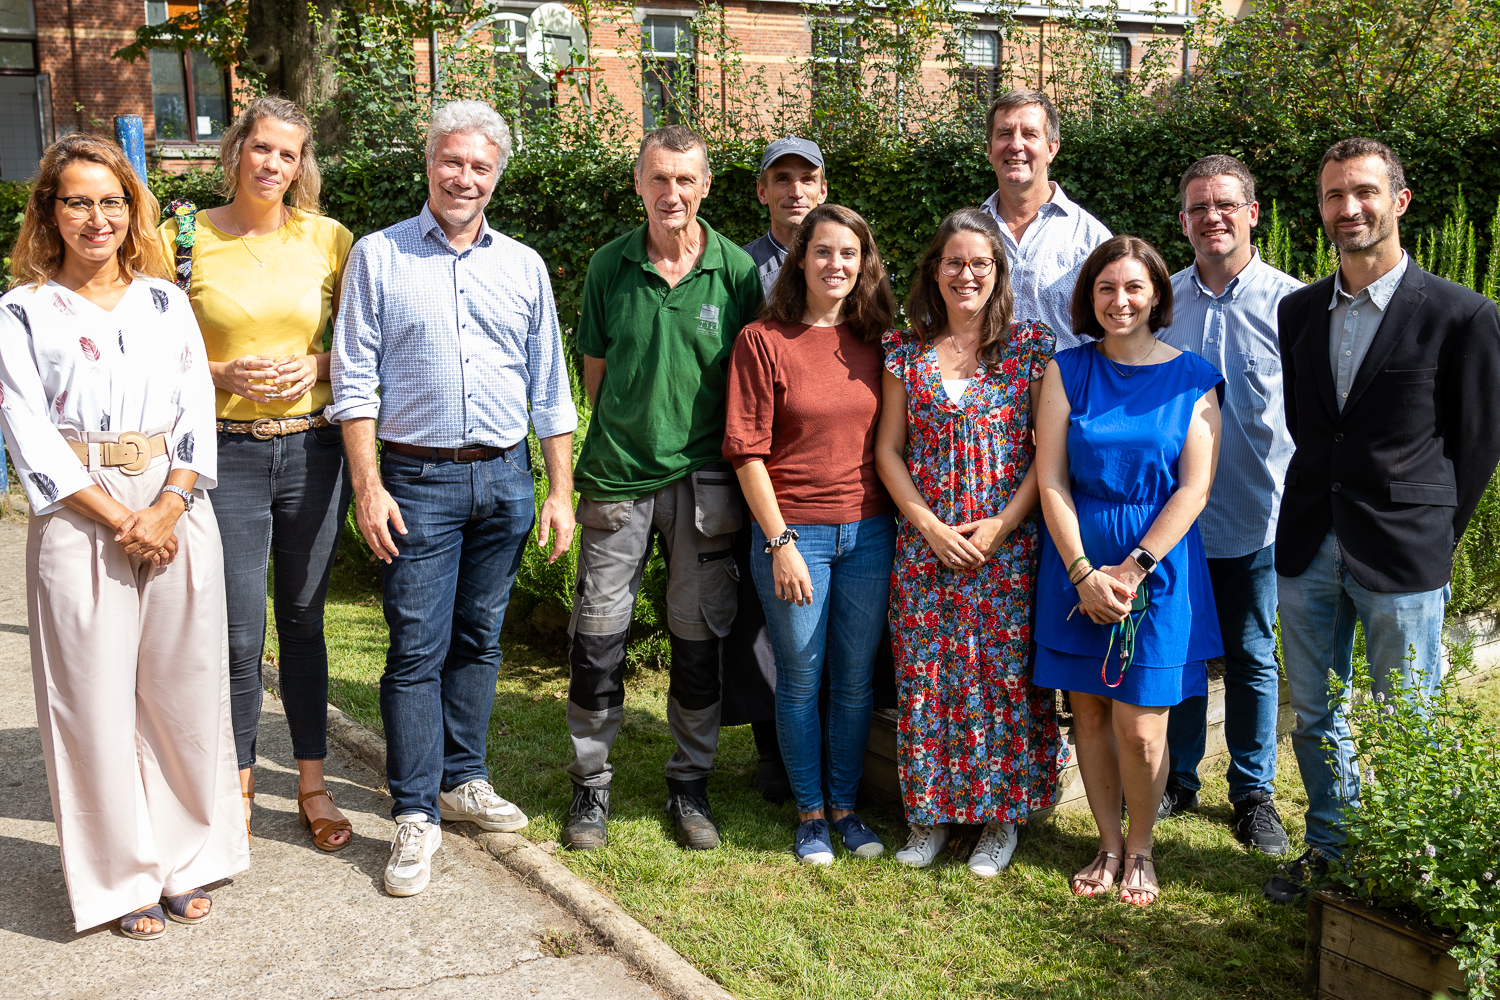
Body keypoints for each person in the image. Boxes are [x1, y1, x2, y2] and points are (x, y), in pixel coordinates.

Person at [330, 100, 578, 897]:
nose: (464, 177)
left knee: (479, 638)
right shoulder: (379, 256)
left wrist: (558, 489)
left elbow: (550, 387)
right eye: (452, 162)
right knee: (415, 649)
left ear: (496, 176)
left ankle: (461, 780)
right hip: (416, 482)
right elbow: (354, 380)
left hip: (505, 478)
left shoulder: (524, 265)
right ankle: (414, 813)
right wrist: (367, 487)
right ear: (428, 164)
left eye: (480, 166)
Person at [0, 134, 245, 938]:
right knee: (92, 702)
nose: (96, 218)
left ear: (131, 208)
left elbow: (195, 414)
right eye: (77, 200)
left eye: (111, 201)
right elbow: (28, 433)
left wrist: (169, 506)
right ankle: (117, 879)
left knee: (183, 691)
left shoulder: (165, 302)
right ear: (50, 211)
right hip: (80, 512)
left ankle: (183, 858)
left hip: (174, 505)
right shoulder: (21, 313)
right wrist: (119, 518)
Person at [1264, 139, 1500, 903]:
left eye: (1364, 192)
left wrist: (1433, 525)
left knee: (1409, 720)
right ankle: (1331, 847)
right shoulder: (1297, 310)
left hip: (1403, 550)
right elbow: (1312, 426)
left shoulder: (1462, 315)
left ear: (1398, 200)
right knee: (1314, 714)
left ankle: (1405, 867)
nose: (1349, 208)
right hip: (1306, 542)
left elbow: (1477, 444)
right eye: (1334, 195)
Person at [161, 96, 356, 852]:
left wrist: (317, 363)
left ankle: (311, 783)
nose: (274, 165)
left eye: (289, 154)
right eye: (262, 148)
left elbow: (375, 349)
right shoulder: (182, 236)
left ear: (301, 165)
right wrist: (218, 369)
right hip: (227, 452)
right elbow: (149, 346)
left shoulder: (330, 240)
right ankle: (237, 786)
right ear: (237, 148)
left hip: (311, 450)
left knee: (304, 624)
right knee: (240, 634)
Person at [564, 125, 762, 852]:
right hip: (618, 479)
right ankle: (590, 786)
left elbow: (748, 385)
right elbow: (596, 375)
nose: (671, 193)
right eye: (658, 179)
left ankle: (690, 785)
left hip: (707, 485)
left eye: (685, 179)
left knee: (699, 638)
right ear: (638, 184)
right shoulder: (609, 265)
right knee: (598, 636)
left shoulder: (737, 272)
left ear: (706, 186)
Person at [1034, 235, 1225, 907]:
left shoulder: (1195, 377)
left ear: (1155, 297)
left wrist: (1132, 568)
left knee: (1142, 728)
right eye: (1106, 288)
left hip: (1157, 572)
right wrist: (1084, 572)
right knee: (1087, 715)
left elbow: (1194, 488)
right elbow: (1050, 478)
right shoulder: (1065, 371)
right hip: (1075, 566)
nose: (1120, 300)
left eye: (1133, 288)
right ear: (1091, 297)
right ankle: (1108, 843)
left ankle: (1143, 848)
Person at [875, 208, 1064, 875]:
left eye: (980, 263)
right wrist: (926, 525)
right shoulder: (904, 351)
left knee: (1003, 682)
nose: (967, 274)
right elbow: (889, 451)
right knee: (929, 680)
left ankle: (998, 820)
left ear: (998, 272)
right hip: (925, 552)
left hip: (1005, 551)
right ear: (934, 271)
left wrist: (1002, 524)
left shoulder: (1030, 348)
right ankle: (929, 816)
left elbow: (1049, 453)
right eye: (954, 262)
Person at [724, 203, 895, 865]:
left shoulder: (877, 338)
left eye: (849, 254)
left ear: (864, 263)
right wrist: (779, 542)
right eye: (823, 252)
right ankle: (811, 814)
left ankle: (848, 808)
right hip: (796, 535)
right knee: (799, 679)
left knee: (853, 681)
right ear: (801, 259)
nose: (836, 265)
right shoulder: (762, 340)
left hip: (871, 532)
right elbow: (745, 451)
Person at [1155, 155, 1302, 854]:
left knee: (1250, 654)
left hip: (1257, 513)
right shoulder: (1162, 304)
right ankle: (1178, 781)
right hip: (1173, 521)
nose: (1211, 217)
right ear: (1182, 222)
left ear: (1251, 212)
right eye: (1197, 208)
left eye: (1224, 205)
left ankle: (1253, 793)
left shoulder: (1294, 305)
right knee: (1179, 653)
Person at [728, 135, 829, 803]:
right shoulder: (739, 270)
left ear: (823, 190)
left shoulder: (846, 258)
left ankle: (830, 742)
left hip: (830, 476)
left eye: (807, 178)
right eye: (781, 178)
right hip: (758, 466)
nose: (795, 190)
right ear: (762, 190)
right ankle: (771, 747)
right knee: (759, 612)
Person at [979, 90, 1111, 351]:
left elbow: (1115, 337)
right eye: (1005, 133)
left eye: (1029, 134)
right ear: (989, 150)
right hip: (978, 390)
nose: (1016, 145)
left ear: (1051, 148)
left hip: (1067, 391)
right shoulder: (965, 237)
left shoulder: (1092, 239)